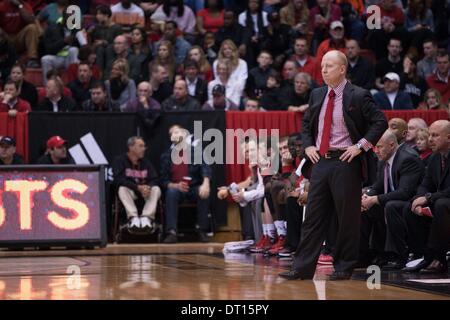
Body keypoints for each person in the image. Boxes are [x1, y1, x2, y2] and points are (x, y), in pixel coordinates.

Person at [279, 50, 387, 281]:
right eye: (322, 66)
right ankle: (302, 268)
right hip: (321, 161)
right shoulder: (317, 94)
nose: (324, 69)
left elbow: (380, 122)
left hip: (345, 161)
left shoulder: (358, 95)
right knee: (313, 216)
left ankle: (344, 266)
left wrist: (360, 146)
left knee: (346, 217)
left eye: (329, 65)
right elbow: (307, 123)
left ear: (342, 69)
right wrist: (308, 146)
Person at [359, 130, 424, 269]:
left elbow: (405, 192)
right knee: (365, 207)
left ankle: (397, 255)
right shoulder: (384, 159)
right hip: (393, 200)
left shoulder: (408, 158)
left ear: (392, 145)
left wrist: (375, 199)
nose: (376, 151)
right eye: (375, 147)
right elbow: (378, 186)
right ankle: (366, 254)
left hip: (411, 202)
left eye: (379, 147)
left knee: (390, 206)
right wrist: (367, 196)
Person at [405, 120, 450, 274]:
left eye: (435, 135)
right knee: (408, 207)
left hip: (443, 201)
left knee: (441, 205)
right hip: (440, 200)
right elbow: (425, 184)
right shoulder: (434, 158)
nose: (430, 139)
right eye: (429, 135)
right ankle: (421, 254)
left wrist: (429, 198)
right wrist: (418, 199)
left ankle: (437, 256)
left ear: (449, 137)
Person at [160, 124, 212, 243]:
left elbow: (205, 167)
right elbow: (163, 180)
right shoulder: (166, 156)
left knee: (203, 191)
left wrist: (206, 183)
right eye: (171, 133)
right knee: (171, 193)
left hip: (193, 186)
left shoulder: (196, 151)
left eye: (177, 132)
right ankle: (172, 232)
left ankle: (202, 230)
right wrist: (174, 185)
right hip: (176, 188)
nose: (174, 135)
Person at [113, 136, 161, 233]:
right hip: (131, 191)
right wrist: (137, 187)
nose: (144, 149)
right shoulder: (120, 160)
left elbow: (155, 179)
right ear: (131, 147)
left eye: (144, 146)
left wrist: (148, 187)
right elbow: (118, 180)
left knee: (156, 189)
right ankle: (133, 218)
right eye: (141, 146)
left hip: (145, 193)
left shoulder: (146, 163)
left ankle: (146, 218)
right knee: (122, 188)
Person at [0, 0, 41, 68]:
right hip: (5, 37)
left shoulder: (24, 5)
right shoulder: (2, 5)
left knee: (32, 27)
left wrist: (19, 6)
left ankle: (32, 59)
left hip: (19, 37)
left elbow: (31, 20)